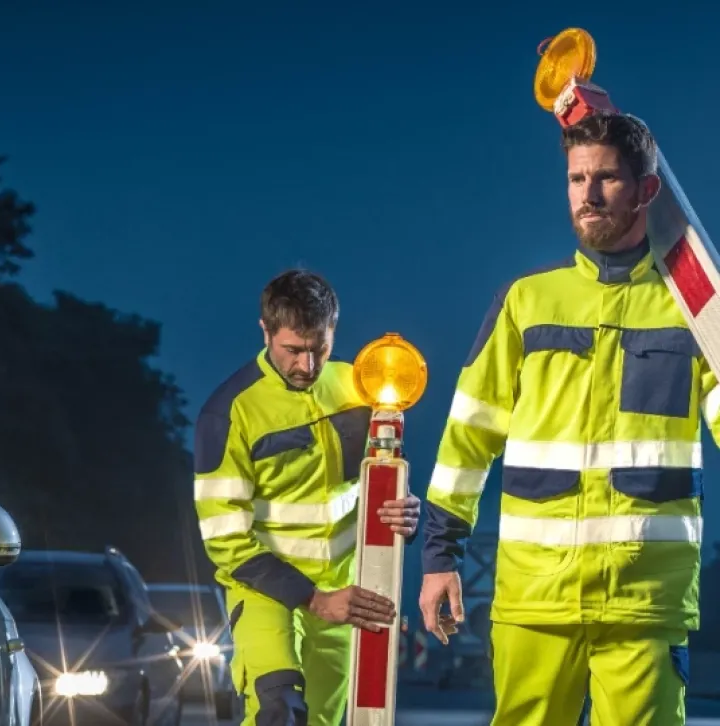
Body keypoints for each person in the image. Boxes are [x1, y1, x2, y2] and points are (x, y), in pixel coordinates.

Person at [418, 110, 707, 726]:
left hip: (645, 604)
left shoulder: (695, 313)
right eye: (576, 179)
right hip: (533, 599)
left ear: (647, 191)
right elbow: (468, 437)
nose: (589, 195)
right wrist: (439, 556)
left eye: (605, 178)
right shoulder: (526, 301)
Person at [194, 268, 421, 726]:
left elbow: (381, 478)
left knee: (319, 721)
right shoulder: (230, 412)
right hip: (267, 595)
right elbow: (225, 541)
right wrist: (312, 598)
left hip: (344, 591)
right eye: (292, 350)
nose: (307, 366)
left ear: (333, 330)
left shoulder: (360, 388)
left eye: (319, 349)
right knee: (278, 709)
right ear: (265, 331)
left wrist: (403, 511)